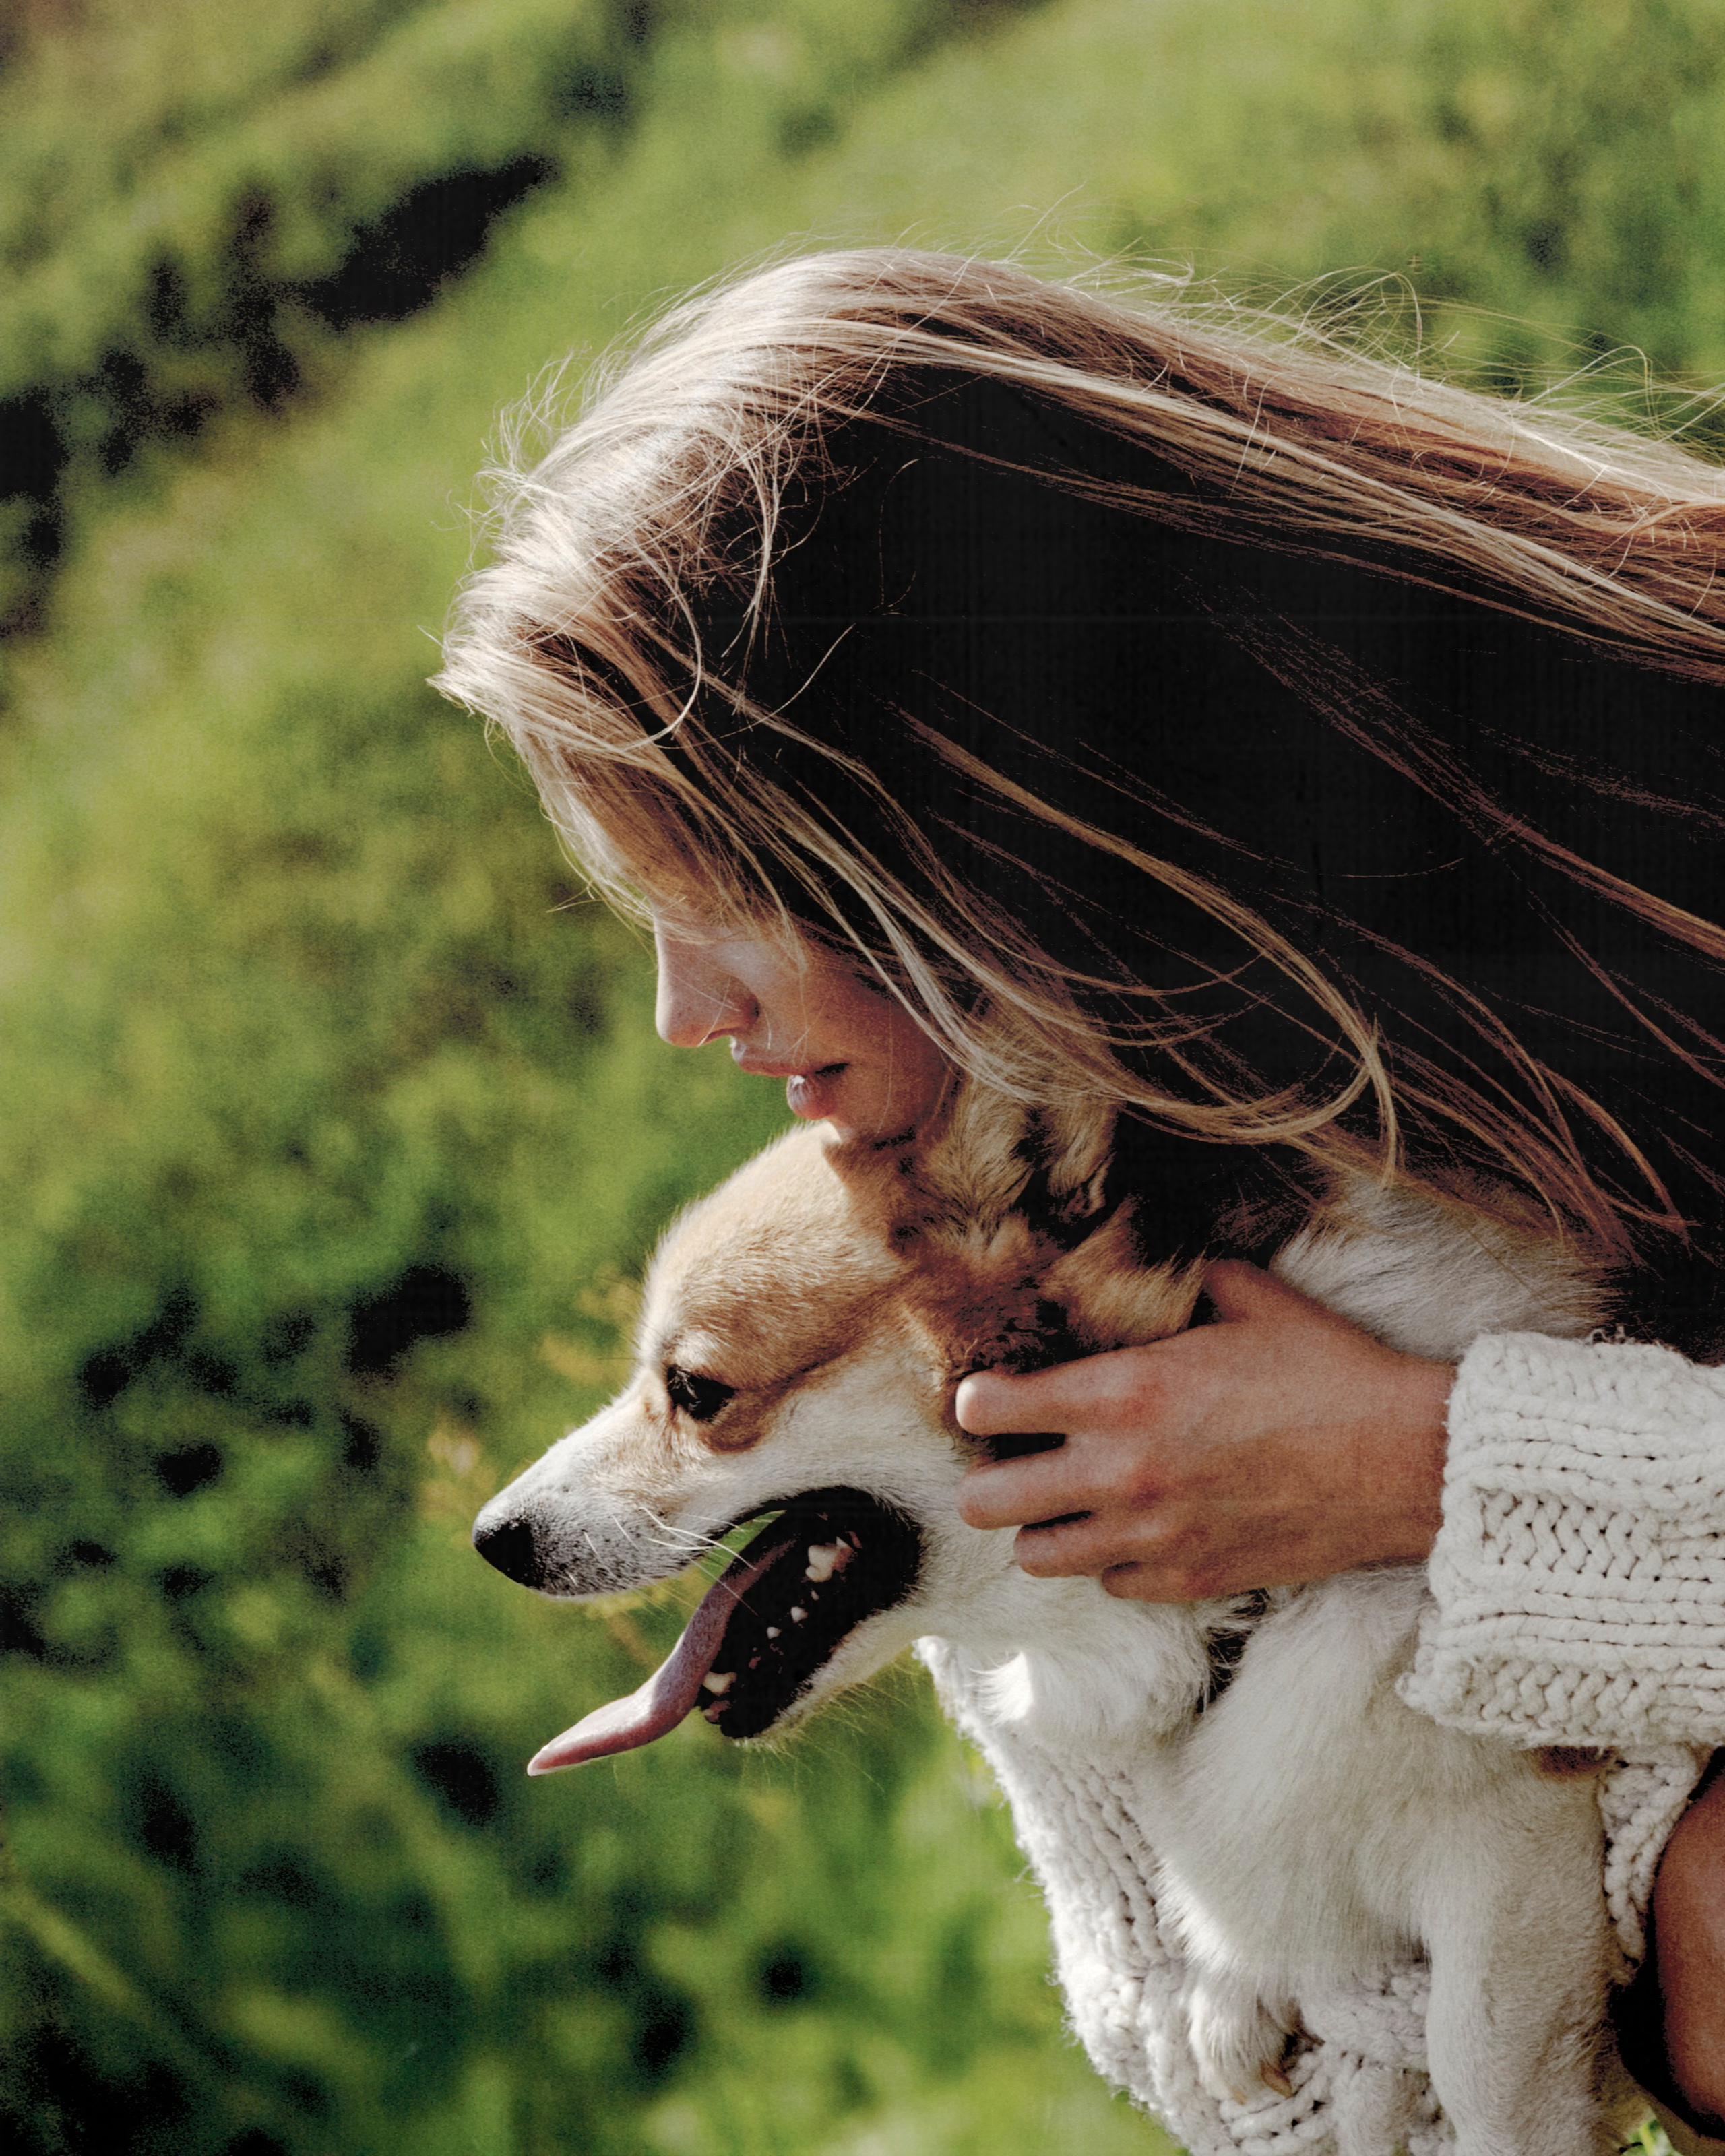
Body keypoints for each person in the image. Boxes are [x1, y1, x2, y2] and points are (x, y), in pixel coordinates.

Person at [439, 248, 1725, 2146]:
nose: (679, 1015)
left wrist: (1438, 1479)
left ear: (962, 804)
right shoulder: (985, 1259)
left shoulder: (1649, 854)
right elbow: (1268, 2082)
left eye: (722, 898)